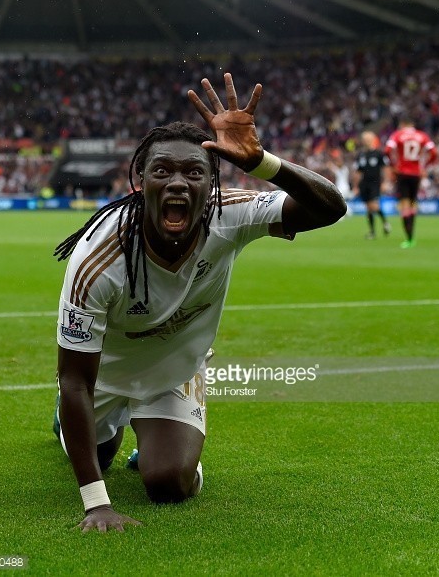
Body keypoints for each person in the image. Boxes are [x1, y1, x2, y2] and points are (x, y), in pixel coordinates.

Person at [52, 73, 347, 533]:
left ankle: (155, 443)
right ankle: (85, 430)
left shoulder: (229, 215)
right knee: (94, 457)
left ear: (211, 184)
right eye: (162, 170)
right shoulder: (98, 259)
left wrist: (264, 162)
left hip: (175, 371)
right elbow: (74, 381)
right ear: (139, 181)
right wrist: (96, 503)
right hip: (104, 376)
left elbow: (331, 207)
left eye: (194, 172)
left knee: (167, 483)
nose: (177, 182)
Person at [384, 119, 438, 248]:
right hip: (416, 173)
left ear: (403, 125)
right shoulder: (422, 135)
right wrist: (425, 166)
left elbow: (387, 150)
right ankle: (411, 237)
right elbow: (434, 152)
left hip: (402, 172)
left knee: (404, 204)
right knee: (413, 203)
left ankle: (409, 238)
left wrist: (393, 165)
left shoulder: (398, 135)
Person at [354, 131, 392, 239]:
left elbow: (386, 168)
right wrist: (356, 186)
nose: (366, 141)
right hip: (364, 184)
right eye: (364, 139)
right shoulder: (360, 155)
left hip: (375, 183)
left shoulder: (379, 154)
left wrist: (385, 182)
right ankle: (372, 232)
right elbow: (358, 172)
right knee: (368, 208)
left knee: (373, 205)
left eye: (368, 139)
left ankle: (385, 223)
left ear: (373, 140)